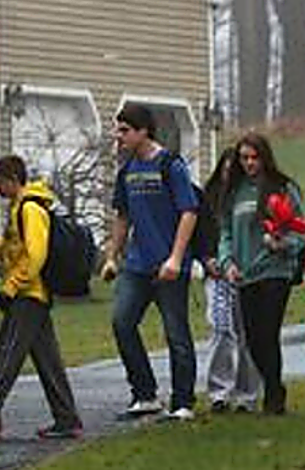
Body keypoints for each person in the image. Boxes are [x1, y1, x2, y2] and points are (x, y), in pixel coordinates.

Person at [0, 155, 83, 440]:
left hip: (28, 296)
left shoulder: (30, 209)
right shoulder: (19, 208)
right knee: (48, 362)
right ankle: (67, 420)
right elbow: (12, 252)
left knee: (5, 354)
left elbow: (36, 255)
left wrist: (11, 288)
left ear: (13, 179)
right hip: (32, 296)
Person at [100, 103, 199, 421]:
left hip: (169, 267)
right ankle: (144, 395)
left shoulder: (171, 165)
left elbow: (189, 212)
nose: (119, 136)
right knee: (122, 322)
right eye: (118, 130)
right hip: (137, 265)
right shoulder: (127, 171)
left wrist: (176, 258)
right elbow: (123, 215)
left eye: (125, 130)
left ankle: (183, 402)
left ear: (143, 131)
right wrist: (112, 257)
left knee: (176, 334)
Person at [217, 132, 304, 414]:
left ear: (265, 157)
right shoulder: (235, 192)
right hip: (244, 274)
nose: (250, 163)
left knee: (268, 333)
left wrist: (282, 244)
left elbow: (301, 232)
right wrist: (227, 262)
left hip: (274, 271)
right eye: (244, 158)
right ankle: (273, 384)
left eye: (255, 157)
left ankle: (274, 398)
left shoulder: (283, 188)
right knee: (253, 340)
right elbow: (226, 233)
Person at [201, 147, 259, 413]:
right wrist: (205, 258)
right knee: (220, 328)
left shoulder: (249, 196)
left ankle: (246, 394)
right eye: (225, 168)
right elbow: (196, 232)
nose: (228, 174)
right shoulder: (207, 199)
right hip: (217, 275)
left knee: (247, 333)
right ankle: (218, 392)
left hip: (247, 272)